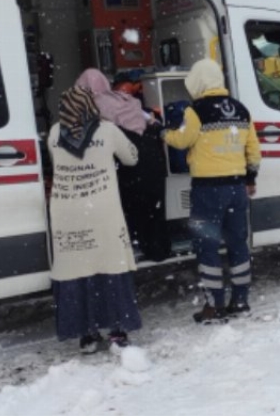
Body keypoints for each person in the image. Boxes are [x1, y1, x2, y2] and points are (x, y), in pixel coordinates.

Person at [162, 59, 261, 323]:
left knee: (207, 247)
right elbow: (253, 150)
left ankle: (214, 305)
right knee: (238, 245)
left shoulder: (197, 111)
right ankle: (240, 301)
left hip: (207, 191)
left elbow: (182, 140)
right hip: (237, 188)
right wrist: (250, 178)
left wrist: (162, 132)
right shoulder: (241, 110)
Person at [48, 85, 142, 353]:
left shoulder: (55, 132)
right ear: (91, 105)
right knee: (109, 268)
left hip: (67, 212)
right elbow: (132, 158)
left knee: (78, 271)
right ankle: (116, 331)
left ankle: (87, 335)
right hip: (101, 210)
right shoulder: (108, 130)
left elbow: (57, 163)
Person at [76, 68, 170, 262]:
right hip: (151, 159)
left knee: (130, 206)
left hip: (130, 162)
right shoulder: (131, 102)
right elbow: (149, 123)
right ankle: (157, 249)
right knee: (153, 208)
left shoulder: (93, 105)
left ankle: (130, 247)